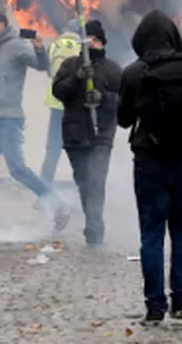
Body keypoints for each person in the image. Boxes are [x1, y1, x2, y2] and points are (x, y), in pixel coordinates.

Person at [118, 11, 182, 326]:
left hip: (149, 161)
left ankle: (155, 305)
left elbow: (124, 120)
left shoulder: (133, 72)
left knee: (152, 233)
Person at [0, 11, 69, 230]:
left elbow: (41, 65)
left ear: (1, 26)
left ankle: (59, 205)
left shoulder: (17, 45)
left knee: (17, 169)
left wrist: (39, 48)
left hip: (9, 119)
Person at [52, 20, 123, 245]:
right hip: (75, 134)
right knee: (83, 180)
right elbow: (58, 91)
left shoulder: (113, 69)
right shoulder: (70, 65)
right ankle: (91, 217)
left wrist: (104, 98)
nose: (91, 44)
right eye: (87, 40)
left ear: (102, 43)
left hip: (102, 134)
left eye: (95, 40)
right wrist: (77, 78)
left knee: (96, 178)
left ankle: (95, 225)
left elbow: (126, 100)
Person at [41, 22, 83, 185]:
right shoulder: (82, 48)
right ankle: (83, 190)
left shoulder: (54, 45)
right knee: (78, 149)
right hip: (74, 105)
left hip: (56, 103)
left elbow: (49, 71)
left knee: (53, 148)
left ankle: (44, 188)